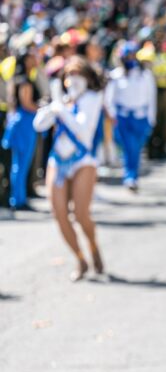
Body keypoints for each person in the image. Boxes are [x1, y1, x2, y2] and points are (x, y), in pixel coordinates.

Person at [32, 56, 105, 281]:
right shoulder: (62, 100)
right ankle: (80, 258)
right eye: (69, 75)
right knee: (60, 215)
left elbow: (83, 130)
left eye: (78, 74)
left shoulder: (92, 98)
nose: (73, 79)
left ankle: (93, 246)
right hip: (59, 160)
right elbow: (39, 124)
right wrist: (52, 107)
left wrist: (61, 109)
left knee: (81, 215)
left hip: (83, 161)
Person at [105, 42, 156, 192]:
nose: (131, 59)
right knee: (129, 147)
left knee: (137, 148)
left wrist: (151, 118)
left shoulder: (145, 75)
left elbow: (151, 97)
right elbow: (109, 99)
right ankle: (130, 176)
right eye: (128, 56)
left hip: (141, 118)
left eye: (133, 55)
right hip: (124, 118)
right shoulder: (116, 75)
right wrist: (113, 115)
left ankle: (132, 174)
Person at [1, 51, 40, 210]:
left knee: (18, 163)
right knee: (21, 163)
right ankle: (18, 199)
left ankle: (17, 197)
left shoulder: (16, 79)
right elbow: (27, 104)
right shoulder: (25, 81)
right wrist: (43, 109)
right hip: (24, 122)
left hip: (18, 122)